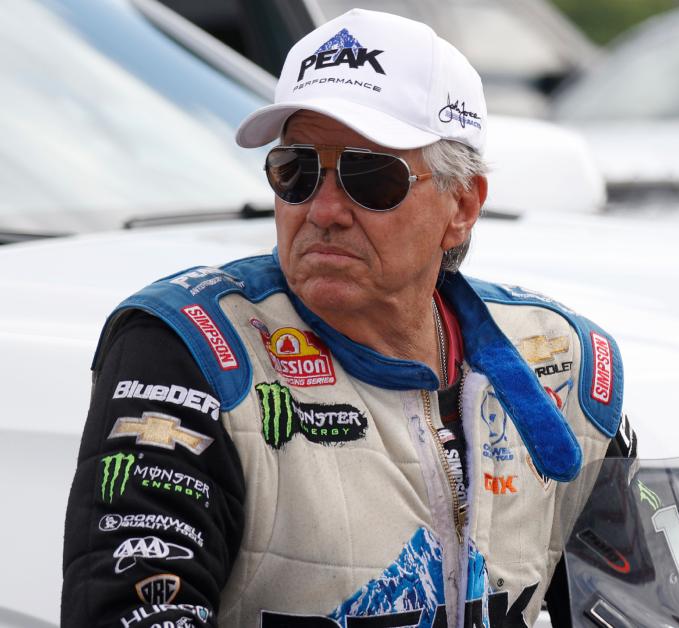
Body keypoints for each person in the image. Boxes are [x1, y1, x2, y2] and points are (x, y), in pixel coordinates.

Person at [61, 9, 634, 627]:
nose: (324, 209)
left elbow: (639, 610)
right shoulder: (192, 347)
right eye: (296, 172)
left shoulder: (561, 361)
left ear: (462, 206)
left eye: (370, 176)